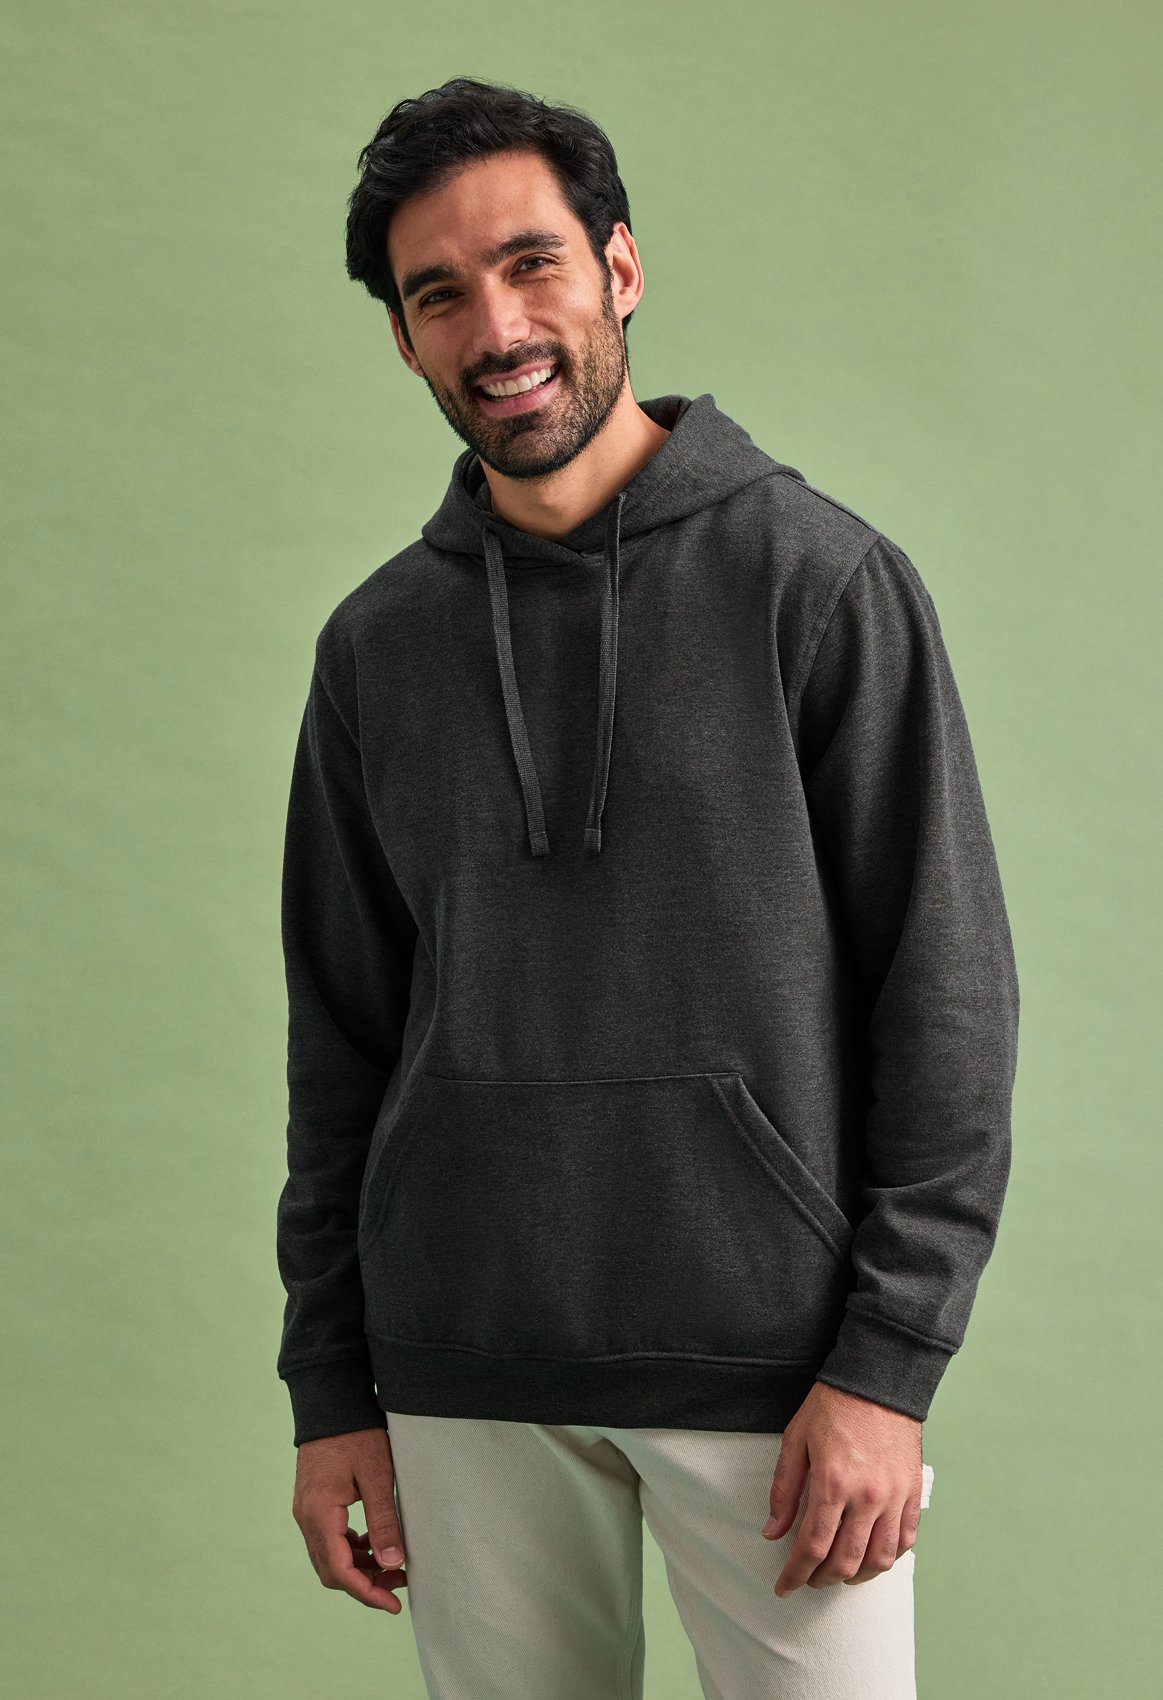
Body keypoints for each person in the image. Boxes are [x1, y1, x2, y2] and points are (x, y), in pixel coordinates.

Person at [275, 75, 1019, 1700]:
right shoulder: (376, 650)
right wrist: (331, 1385)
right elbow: (341, 1040)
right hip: (461, 1364)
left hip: (779, 1374)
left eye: (531, 263)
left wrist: (891, 1364)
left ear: (619, 267)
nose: (496, 327)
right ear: (404, 340)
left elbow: (947, 993)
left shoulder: (819, 584)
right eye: (439, 294)